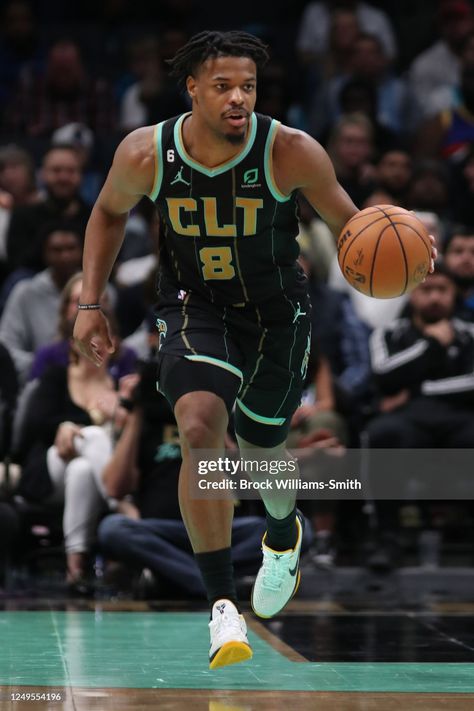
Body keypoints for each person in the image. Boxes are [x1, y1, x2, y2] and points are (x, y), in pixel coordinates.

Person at [72, 31, 435, 670]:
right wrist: (91, 302)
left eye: (248, 87)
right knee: (198, 426)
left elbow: (353, 232)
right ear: (192, 89)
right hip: (193, 305)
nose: (239, 98)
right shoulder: (147, 153)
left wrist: (403, 250)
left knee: (264, 446)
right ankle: (222, 607)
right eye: (223, 87)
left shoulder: (291, 151)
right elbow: (105, 213)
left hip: (275, 314)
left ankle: (281, 529)